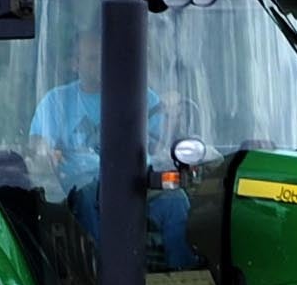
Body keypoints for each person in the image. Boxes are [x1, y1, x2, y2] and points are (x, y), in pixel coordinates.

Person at [21, 20, 198, 267]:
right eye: (93, 58)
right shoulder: (56, 102)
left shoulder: (143, 97)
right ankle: (105, 274)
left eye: (105, 56)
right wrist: (44, 154)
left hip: (137, 186)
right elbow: (37, 147)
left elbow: (163, 147)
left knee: (175, 200)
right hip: (84, 189)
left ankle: (183, 277)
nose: (102, 64)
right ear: (76, 63)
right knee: (87, 196)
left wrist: (172, 118)